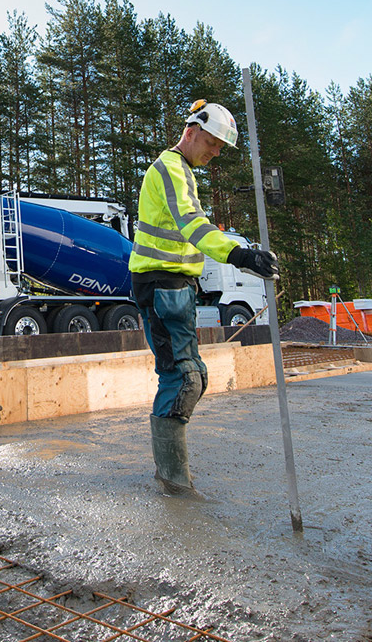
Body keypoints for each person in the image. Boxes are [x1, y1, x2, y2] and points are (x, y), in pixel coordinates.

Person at [128, 100, 279, 499]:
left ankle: (173, 476)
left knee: (192, 377)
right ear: (191, 131)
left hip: (174, 286)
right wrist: (240, 255)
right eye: (212, 144)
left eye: (219, 148)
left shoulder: (180, 172)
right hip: (161, 284)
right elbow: (194, 225)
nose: (215, 153)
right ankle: (173, 482)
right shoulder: (171, 169)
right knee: (183, 378)